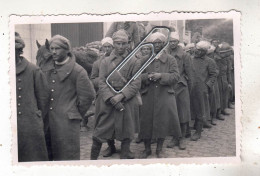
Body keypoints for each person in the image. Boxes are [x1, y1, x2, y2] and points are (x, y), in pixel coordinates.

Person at [90, 30, 141, 160]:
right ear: (114, 44)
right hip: (107, 101)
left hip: (126, 100)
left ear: (128, 44)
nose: (120, 47)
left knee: (127, 129)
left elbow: (136, 84)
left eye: (123, 44)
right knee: (100, 131)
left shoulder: (134, 62)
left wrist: (121, 96)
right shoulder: (105, 62)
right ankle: (92, 162)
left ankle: (125, 154)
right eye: (118, 43)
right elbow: (101, 82)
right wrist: (111, 97)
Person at [45, 35, 95, 160]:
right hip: (47, 123)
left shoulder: (78, 71)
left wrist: (74, 113)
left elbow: (88, 96)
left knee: (67, 158)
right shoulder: (47, 68)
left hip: (67, 124)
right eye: (52, 48)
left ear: (67, 50)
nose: (54, 52)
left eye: (57, 48)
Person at [139, 32, 181, 158]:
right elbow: (135, 77)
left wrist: (161, 76)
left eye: (159, 43)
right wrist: (147, 77)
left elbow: (176, 76)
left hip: (165, 95)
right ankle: (146, 149)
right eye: (154, 43)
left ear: (164, 44)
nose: (157, 45)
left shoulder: (171, 59)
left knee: (163, 122)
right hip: (148, 95)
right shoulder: (144, 60)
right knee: (145, 122)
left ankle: (159, 149)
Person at [15, 32, 49, 162]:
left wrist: (35, 118)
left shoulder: (33, 71)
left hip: (29, 126)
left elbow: (43, 101)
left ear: (19, 51)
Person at [90, 37, 117, 158]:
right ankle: (111, 146)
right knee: (104, 123)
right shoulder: (97, 63)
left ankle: (126, 148)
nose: (107, 49)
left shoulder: (120, 61)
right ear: (102, 48)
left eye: (109, 47)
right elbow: (93, 79)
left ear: (113, 47)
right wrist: (103, 81)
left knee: (120, 122)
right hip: (103, 96)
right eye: (105, 47)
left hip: (118, 94)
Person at [166, 32, 193, 150]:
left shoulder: (185, 56)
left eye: (174, 41)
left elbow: (190, 74)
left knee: (182, 112)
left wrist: (189, 88)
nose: (172, 43)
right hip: (168, 85)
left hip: (181, 86)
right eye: (170, 41)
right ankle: (174, 136)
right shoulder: (165, 53)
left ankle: (180, 138)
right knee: (172, 113)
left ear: (178, 42)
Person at [190, 41, 217, 141]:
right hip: (190, 87)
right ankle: (192, 127)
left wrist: (207, 85)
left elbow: (213, 75)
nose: (197, 52)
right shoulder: (190, 59)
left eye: (200, 50)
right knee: (192, 108)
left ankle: (198, 131)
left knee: (200, 109)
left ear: (205, 51)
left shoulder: (210, 61)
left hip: (201, 89)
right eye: (196, 49)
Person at [216, 42, 233, 115]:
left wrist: (229, 82)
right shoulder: (216, 59)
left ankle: (223, 109)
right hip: (217, 79)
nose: (228, 55)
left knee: (224, 94)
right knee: (218, 95)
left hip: (224, 79)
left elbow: (228, 71)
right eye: (227, 53)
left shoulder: (227, 59)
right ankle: (217, 112)